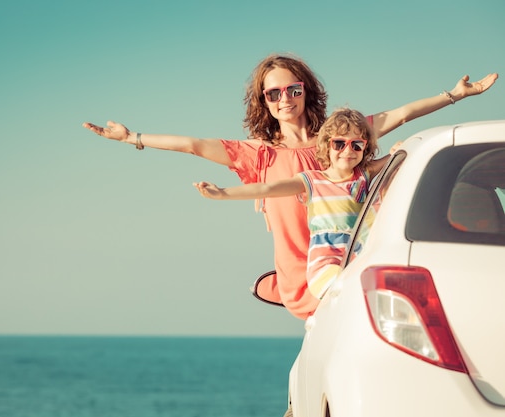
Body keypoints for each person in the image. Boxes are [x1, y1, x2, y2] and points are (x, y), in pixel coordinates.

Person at [83, 53, 498, 320]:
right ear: (263, 101)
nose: (284, 98)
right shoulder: (259, 155)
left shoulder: (340, 138)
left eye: (292, 88)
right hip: (307, 274)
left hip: (356, 261)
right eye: (273, 93)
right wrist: (133, 137)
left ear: (305, 91)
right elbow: (193, 145)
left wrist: (454, 95)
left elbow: (401, 115)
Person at [194, 108, 392, 299]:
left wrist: (398, 148)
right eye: (339, 144)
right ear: (326, 145)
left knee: (383, 196)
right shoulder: (312, 180)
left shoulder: (364, 174)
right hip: (326, 262)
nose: (348, 151)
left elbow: (401, 158)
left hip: (359, 253)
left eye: (356, 145)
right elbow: (267, 189)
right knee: (343, 286)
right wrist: (222, 193)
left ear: (365, 147)